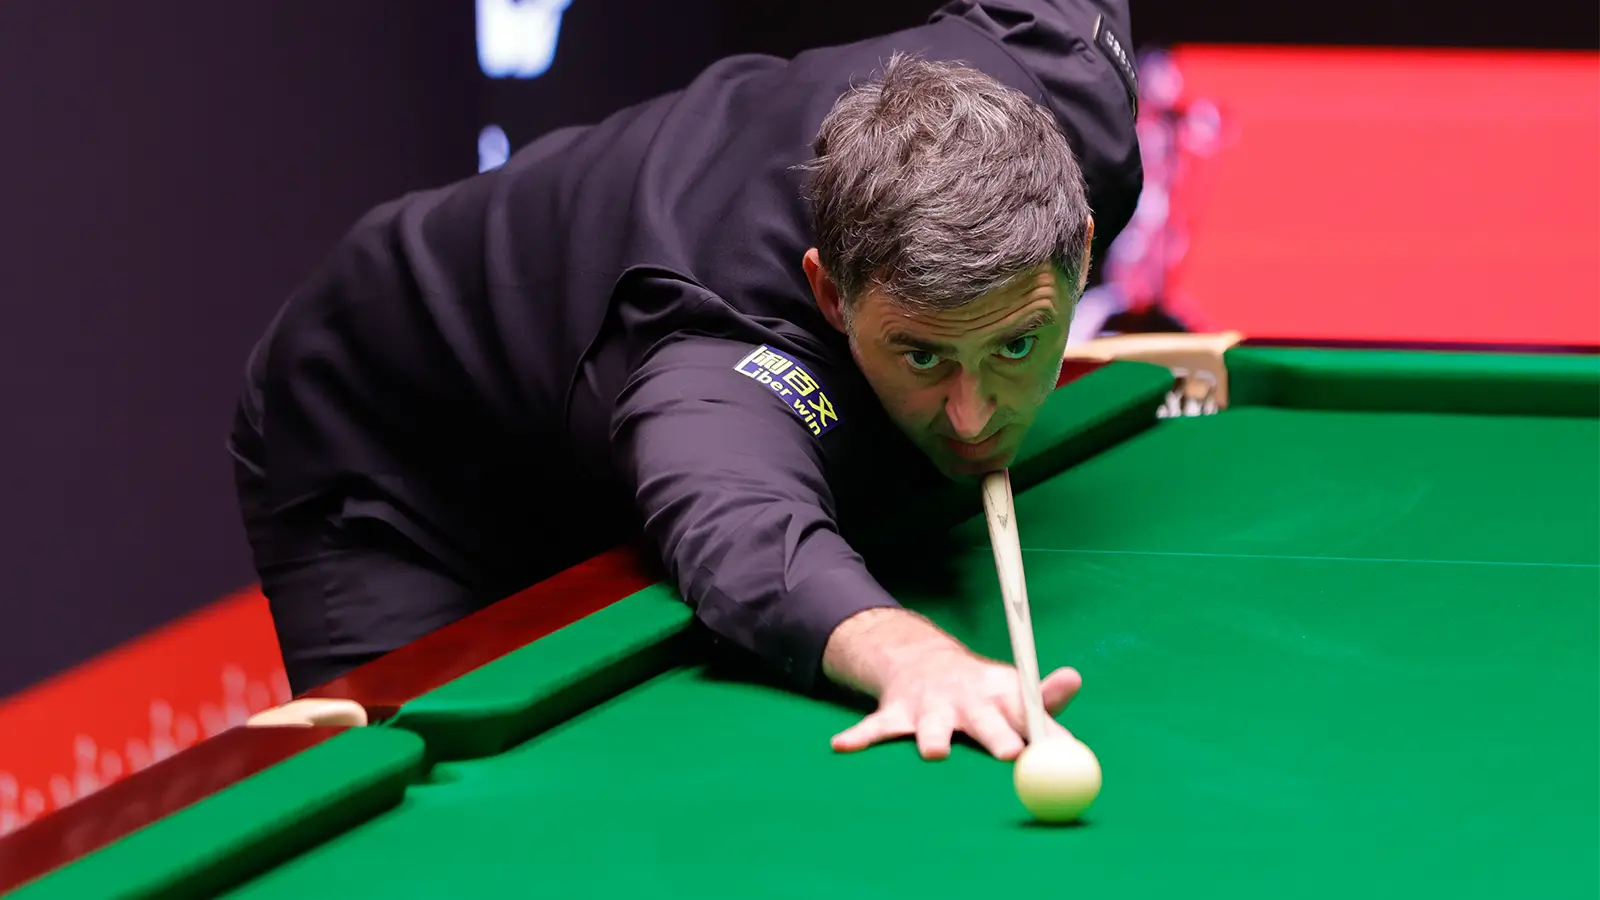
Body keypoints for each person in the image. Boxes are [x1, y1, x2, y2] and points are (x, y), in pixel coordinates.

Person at [228, 0, 1143, 763]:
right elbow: (740, 523)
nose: (975, 413)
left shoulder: (1072, 89)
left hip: (585, 384)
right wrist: (905, 651)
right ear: (828, 290)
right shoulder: (715, 339)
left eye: (1016, 347)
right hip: (394, 441)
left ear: (1083, 246)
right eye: (923, 357)